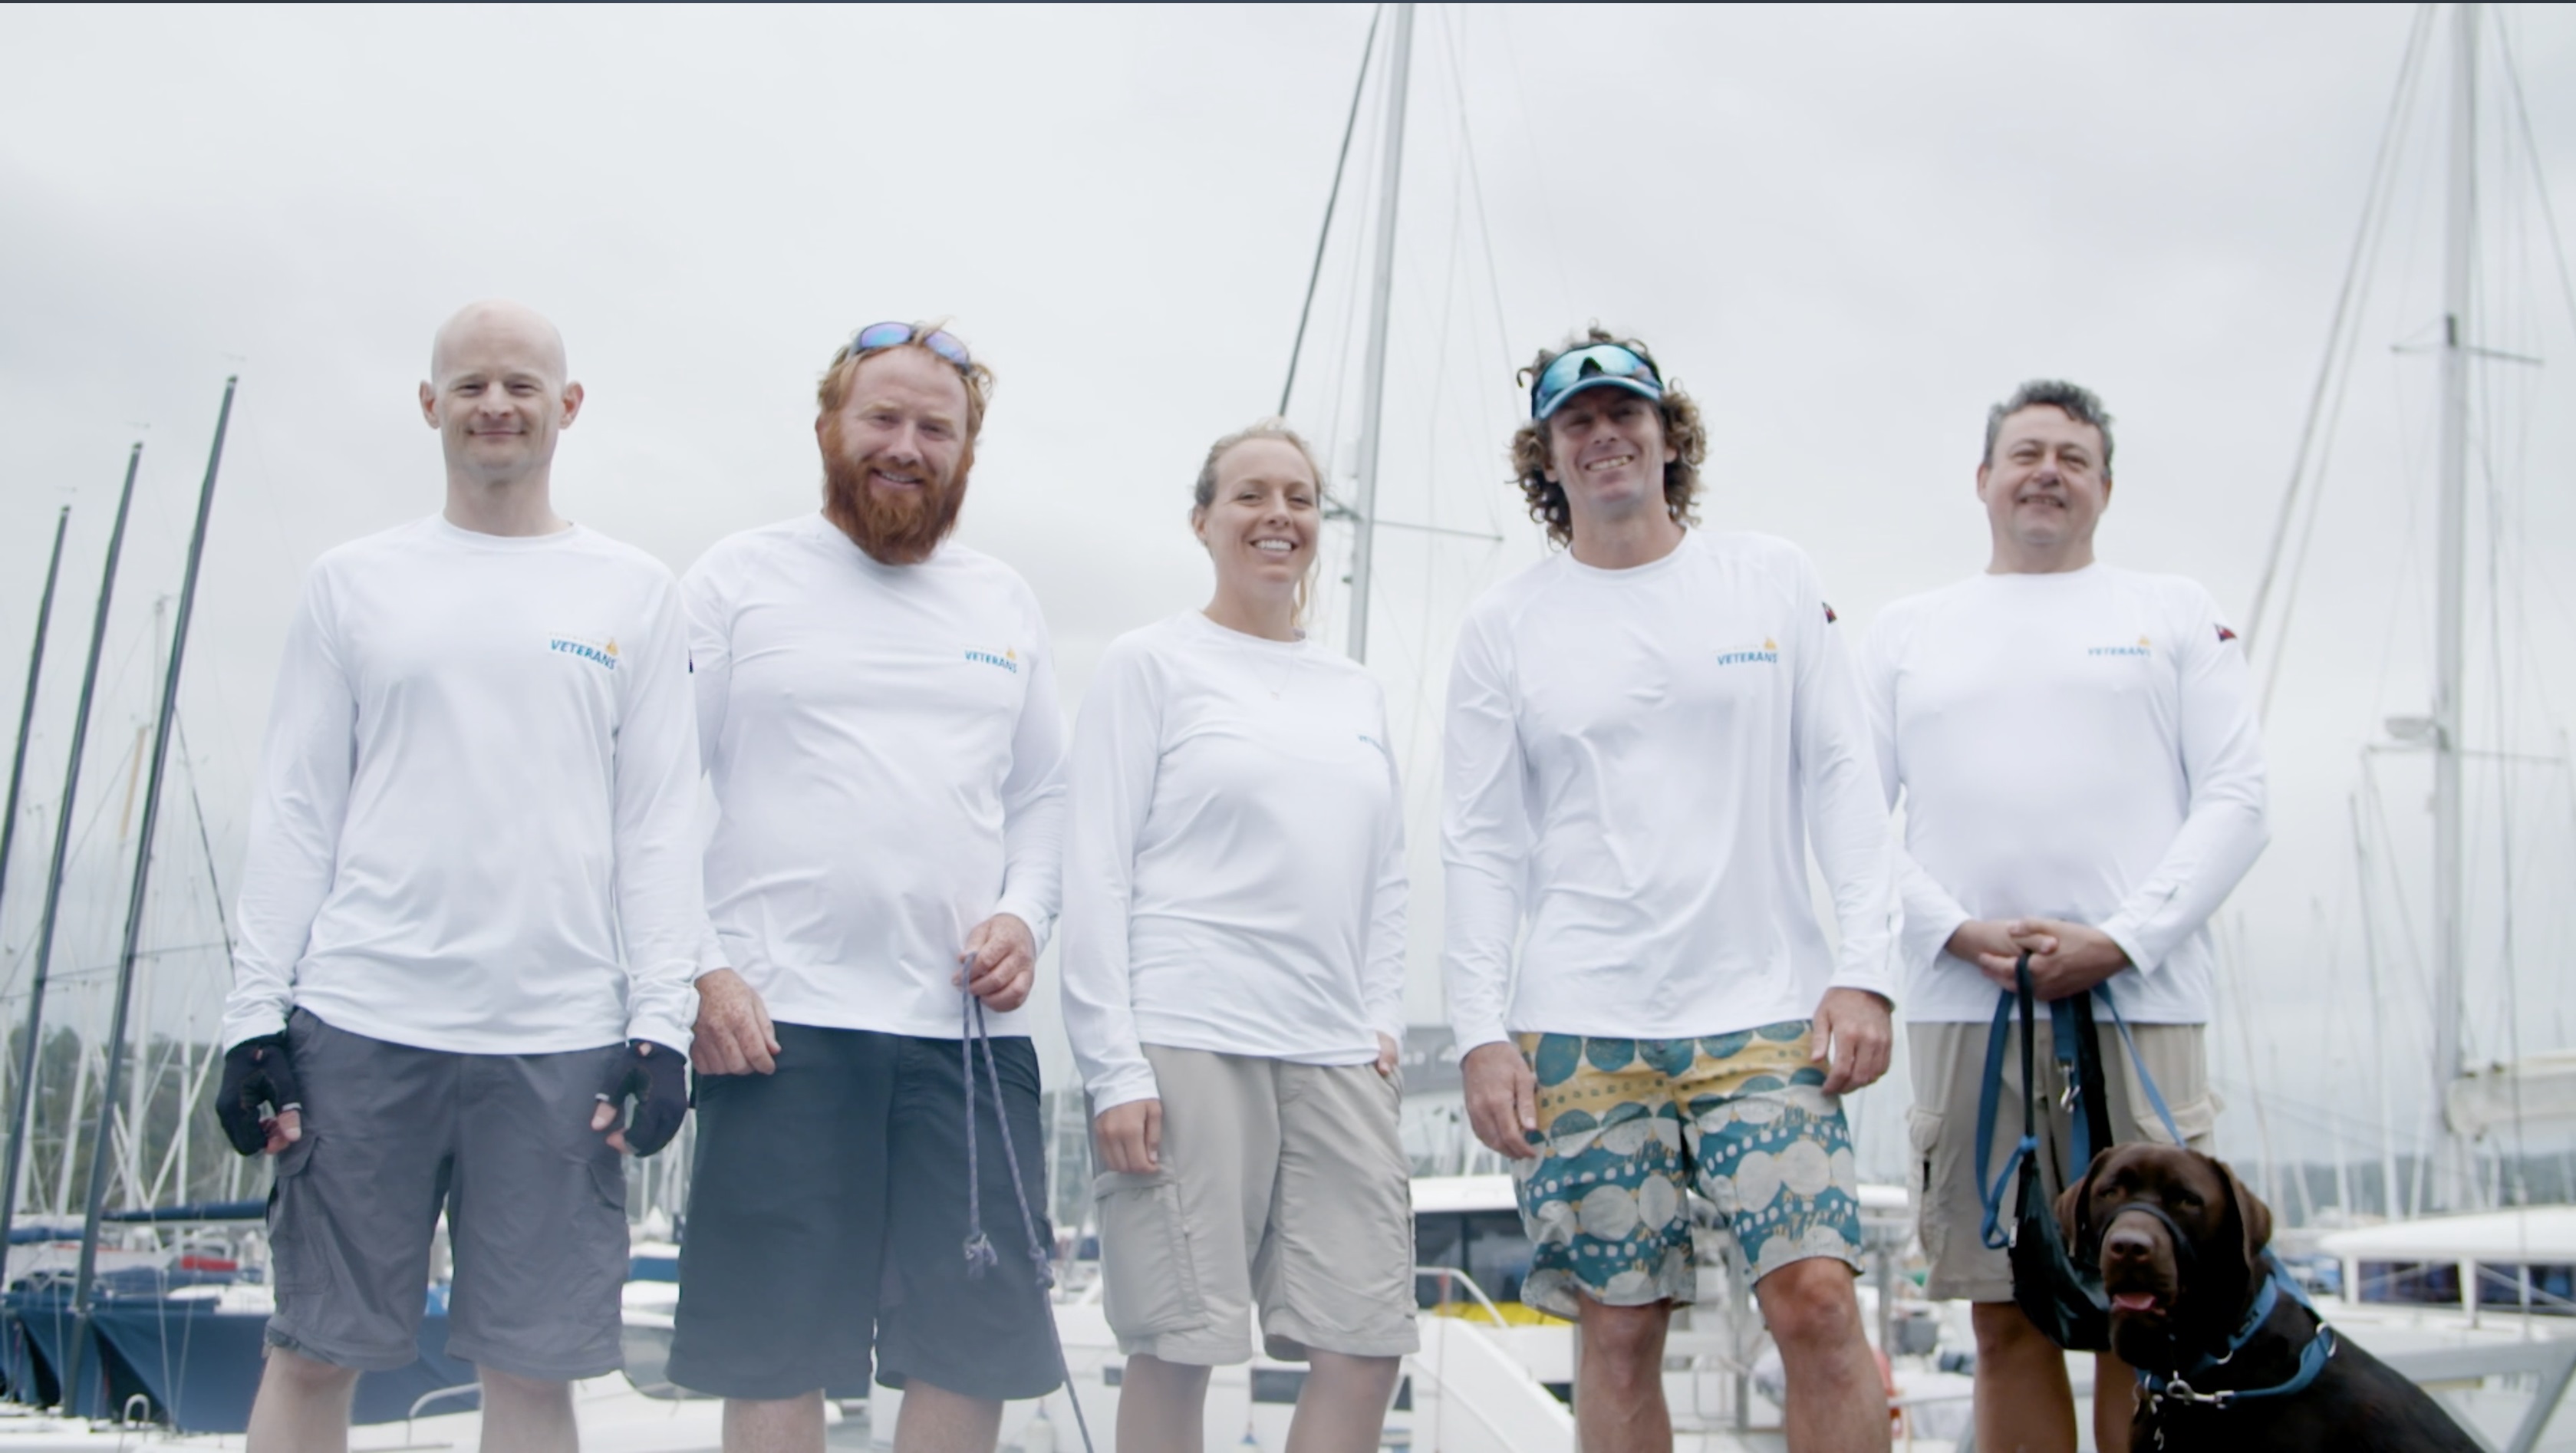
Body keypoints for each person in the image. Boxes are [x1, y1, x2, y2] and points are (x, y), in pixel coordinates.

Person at [216, 300, 700, 1453]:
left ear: (566, 407)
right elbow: (296, 809)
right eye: (471, 384)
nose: (497, 405)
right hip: (359, 1021)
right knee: (313, 1350)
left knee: (531, 1376)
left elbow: (660, 825)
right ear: (430, 404)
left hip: (558, 1036)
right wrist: (250, 1019)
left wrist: (661, 1025)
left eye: (522, 385)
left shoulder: (633, 591)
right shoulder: (351, 583)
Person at [1444, 328, 1899, 1453]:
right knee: (1615, 1330)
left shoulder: (1771, 579)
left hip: (1765, 1007)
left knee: (1817, 1306)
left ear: (1666, 435)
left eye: (1623, 413)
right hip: (1582, 1022)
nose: (1602, 436)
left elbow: (1844, 777)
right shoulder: (1504, 626)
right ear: (1544, 458)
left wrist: (1866, 969)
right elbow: (1477, 842)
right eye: (1574, 422)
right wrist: (1476, 1031)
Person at [667, 322, 1069, 1453]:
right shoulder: (737, 578)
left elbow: (1046, 798)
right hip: (777, 1027)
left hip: (967, 1040)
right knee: (777, 1356)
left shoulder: (1005, 601)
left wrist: (1024, 915)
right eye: (881, 419)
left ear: (966, 454)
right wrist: (701, 967)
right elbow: (651, 798)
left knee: (968, 1353)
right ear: (827, 431)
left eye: (934, 427)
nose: (906, 445)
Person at [1861, 380, 2266, 1453]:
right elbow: (1846, 816)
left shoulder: (2174, 610)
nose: (2047, 470)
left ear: (2104, 486)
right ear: (1983, 478)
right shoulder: (1907, 631)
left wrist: (2121, 938)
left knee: (2152, 1317)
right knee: (2006, 1310)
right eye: (2026, 451)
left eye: (2072, 457)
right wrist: (1951, 928)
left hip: (2142, 998)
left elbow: (2238, 799)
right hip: (1963, 1002)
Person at [1061, 420, 1416, 1453]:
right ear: (1203, 520)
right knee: (1180, 1341)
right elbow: (1096, 867)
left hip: (1331, 1041)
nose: (1278, 516)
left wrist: (1382, 1016)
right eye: (1251, 496)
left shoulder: (1355, 689)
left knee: (1366, 1337)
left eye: (1299, 498)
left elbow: (1386, 876)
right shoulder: (1150, 663)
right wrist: (1112, 1065)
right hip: (1185, 1030)